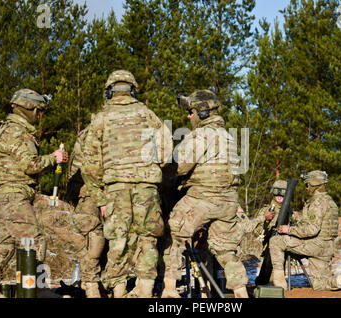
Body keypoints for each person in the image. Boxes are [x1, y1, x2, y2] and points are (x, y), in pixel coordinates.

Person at [81, 70, 171, 298]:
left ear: (109, 91)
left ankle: (119, 291)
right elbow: (166, 151)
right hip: (146, 186)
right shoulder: (148, 114)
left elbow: (89, 164)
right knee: (148, 239)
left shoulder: (100, 118)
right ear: (132, 89)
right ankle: (145, 290)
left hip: (116, 188)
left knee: (118, 240)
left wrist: (100, 198)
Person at [0, 89, 68, 298]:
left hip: (6, 196)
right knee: (35, 241)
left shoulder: (9, 129)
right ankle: (38, 289)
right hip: (14, 196)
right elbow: (30, 165)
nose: (40, 116)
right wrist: (53, 158)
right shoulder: (15, 132)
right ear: (28, 109)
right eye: (38, 111)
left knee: (4, 244)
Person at [161, 90, 249, 298]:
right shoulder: (228, 137)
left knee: (173, 235)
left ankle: (169, 290)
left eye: (191, 112)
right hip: (228, 202)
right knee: (226, 250)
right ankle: (240, 292)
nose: (188, 117)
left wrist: (162, 165)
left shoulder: (201, 135)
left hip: (203, 198)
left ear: (201, 113)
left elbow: (180, 166)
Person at [269, 170, 341, 291]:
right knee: (320, 285)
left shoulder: (317, 203)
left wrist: (289, 229)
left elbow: (312, 229)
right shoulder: (330, 201)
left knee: (276, 241)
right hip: (327, 248)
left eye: (307, 185)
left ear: (314, 185)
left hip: (315, 245)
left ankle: (279, 283)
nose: (306, 188)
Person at [67, 126, 105, 298]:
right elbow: (90, 168)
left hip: (90, 191)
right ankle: (91, 285)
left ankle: (98, 284)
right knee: (95, 239)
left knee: (104, 238)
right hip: (87, 191)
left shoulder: (98, 129)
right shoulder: (95, 132)